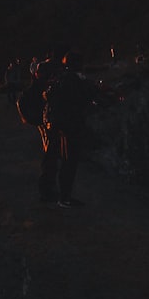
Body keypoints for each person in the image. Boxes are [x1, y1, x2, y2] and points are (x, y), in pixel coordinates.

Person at [36, 48, 98, 208]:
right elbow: (89, 96)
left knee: (55, 158)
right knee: (69, 161)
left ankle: (50, 193)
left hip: (56, 123)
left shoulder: (59, 78)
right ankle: (65, 198)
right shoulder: (76, 80)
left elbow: (47, 95)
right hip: (71, 125)